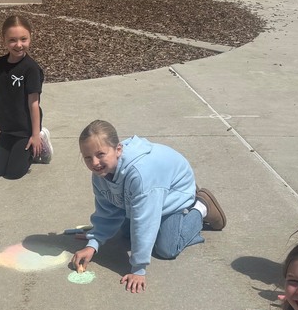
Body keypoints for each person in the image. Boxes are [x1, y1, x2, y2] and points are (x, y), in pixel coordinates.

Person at [69, 120, 225, 293]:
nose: (95, 162)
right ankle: (167, 207)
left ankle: (201, 207)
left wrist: (138, 269)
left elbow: (144, 221)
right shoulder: (100, 174)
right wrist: (94, 242)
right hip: (152, 190)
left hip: (175, 191)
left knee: (167, 248)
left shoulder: (140, 175)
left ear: (118, 150)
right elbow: (107, 210)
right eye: (88, 157)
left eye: (100, 154)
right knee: (127, 233)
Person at [0, 15, 52, 180]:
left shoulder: (31, 69)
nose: (18, 45)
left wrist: (34, 135)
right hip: (7, 127)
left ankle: (41, 138)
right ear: (3, 40)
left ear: (30, 37)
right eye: (12, 40)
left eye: (23, 39)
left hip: (25, 128)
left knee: (14, 173)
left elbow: (34, 104)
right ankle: (22, 148)